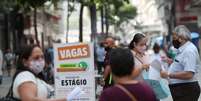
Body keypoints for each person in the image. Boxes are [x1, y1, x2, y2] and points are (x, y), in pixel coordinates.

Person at [160, 25, 201, 101]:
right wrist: (170, 61)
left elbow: (189, 74)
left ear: (181, 38)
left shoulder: (189, 51)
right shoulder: (183, 49)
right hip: (182, 89)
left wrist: (168, 74)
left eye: (174, 37)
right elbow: (183, 64)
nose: (173, 40)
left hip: (186, 90)